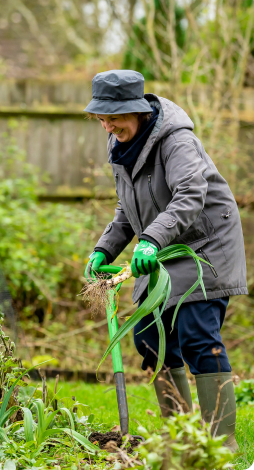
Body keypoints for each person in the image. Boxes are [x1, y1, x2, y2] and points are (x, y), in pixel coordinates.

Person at [83, 70, 247, 451]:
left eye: (114, 116)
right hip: (159, 249)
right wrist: (104, 249)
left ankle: (220, 444)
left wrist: (151, 240)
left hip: (203, 244)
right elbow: (128, 209)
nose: (107, 125)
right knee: (149, 338)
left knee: (196, 335)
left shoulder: (176, 139)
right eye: (101, 117)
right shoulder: (118, 144)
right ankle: (182, 438)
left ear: (137, 110)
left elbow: (191, 193)